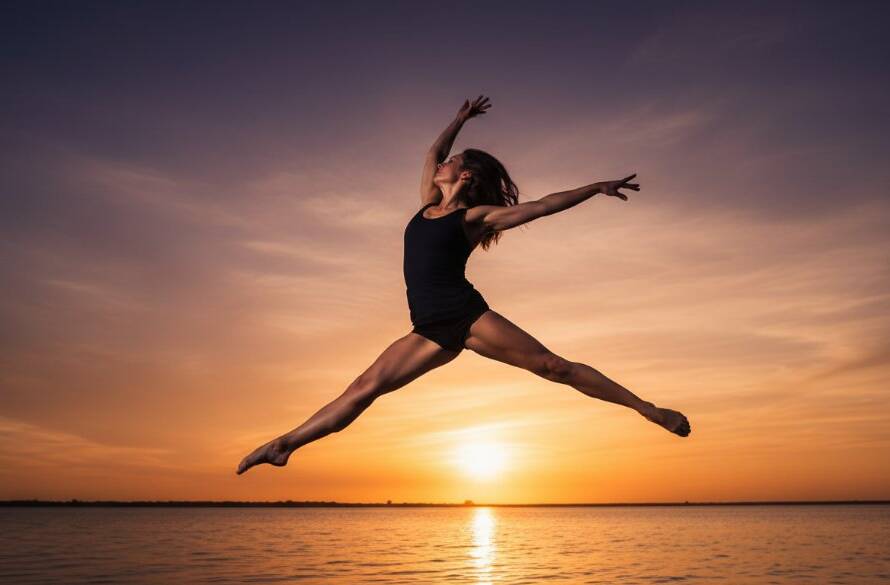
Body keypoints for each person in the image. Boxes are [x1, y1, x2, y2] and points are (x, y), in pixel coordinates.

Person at [236, 95, 690, 475]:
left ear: (465, 175)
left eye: (452, 163)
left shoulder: (473, 218)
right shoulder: (427, 204)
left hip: (467, 316)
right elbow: (431, 154)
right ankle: (285, 445)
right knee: (363, 387)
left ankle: (648, 409)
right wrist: (458, 120)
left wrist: (595, 187)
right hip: (428, 329)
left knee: (555, 367)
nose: (441, 164)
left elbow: (542, 206)